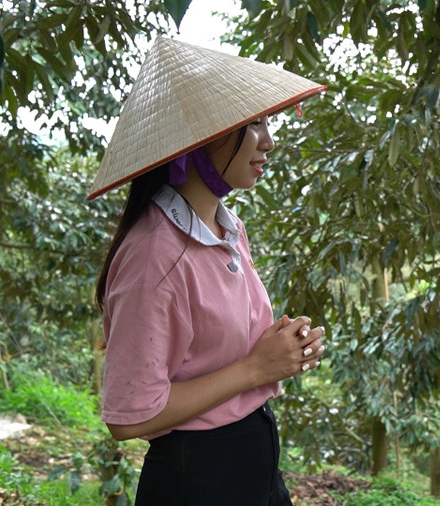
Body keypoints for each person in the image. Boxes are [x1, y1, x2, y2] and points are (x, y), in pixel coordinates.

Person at [88, 37, 327, 505]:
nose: (268, 142)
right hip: (196, 479)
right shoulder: (153, 256)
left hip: (255, 461)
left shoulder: (226, 226)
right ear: (198, 141)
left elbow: (214, 349)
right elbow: (129, 418)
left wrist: (281, 349)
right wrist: (257, 367)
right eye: (253, 124)